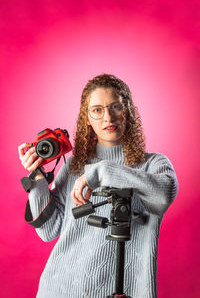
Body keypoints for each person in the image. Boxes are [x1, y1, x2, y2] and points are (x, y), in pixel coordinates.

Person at [18, 73, 178, 298]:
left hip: (122, 291)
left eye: (115, 106)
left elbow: (163, 194)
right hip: (59, 288)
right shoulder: (75, 164)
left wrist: (101, 172)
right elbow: (48, 231)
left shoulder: (154, 163)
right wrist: (36, 176)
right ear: (87, 118)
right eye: (97, 110)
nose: (108, 118)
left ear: (129, 111)